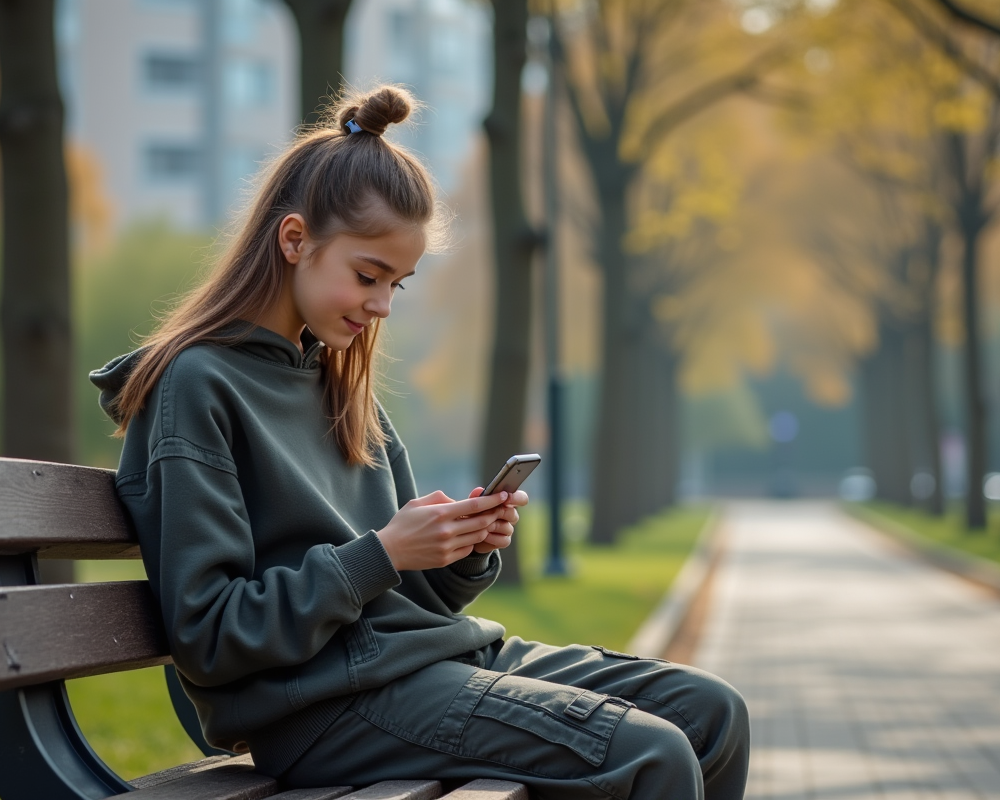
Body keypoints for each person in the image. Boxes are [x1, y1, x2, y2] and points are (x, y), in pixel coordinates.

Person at [91, 85, 748, 800]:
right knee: (651, 756)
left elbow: (411, 600)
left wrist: (462, 550)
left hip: (421, 666)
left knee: (714, 715)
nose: (379, 307)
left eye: (397, 286)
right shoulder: (197, 386)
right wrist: (382, 553)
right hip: (324, 709)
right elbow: (212, 635)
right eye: (368, 276)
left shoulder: (338, 385)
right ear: (293, 240)